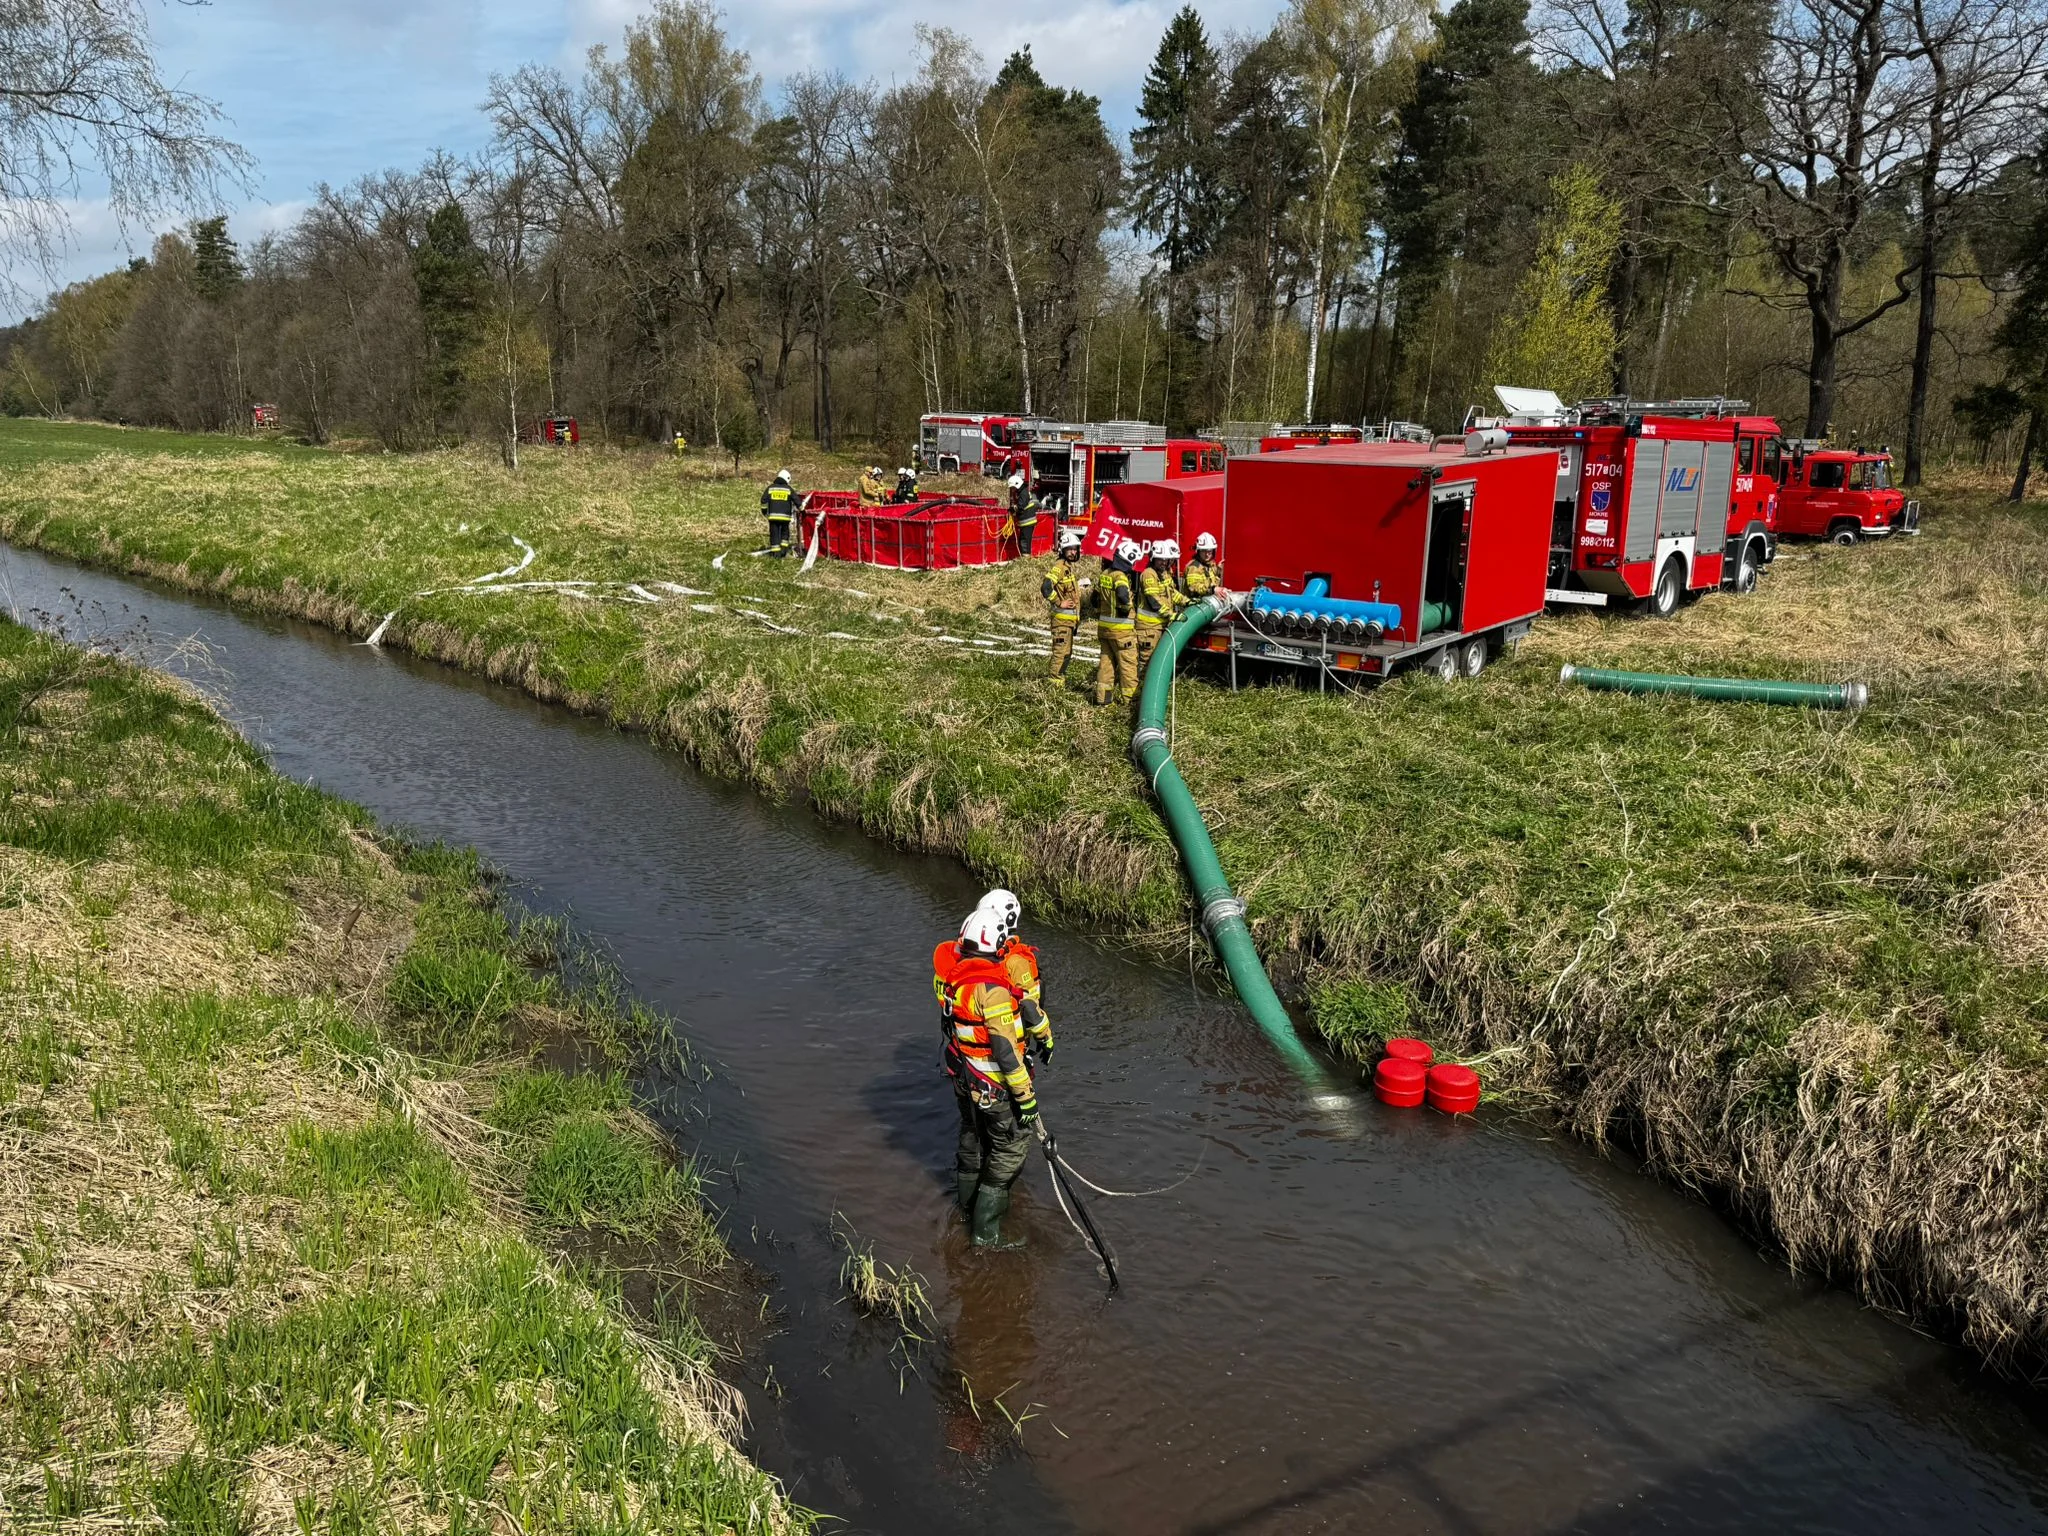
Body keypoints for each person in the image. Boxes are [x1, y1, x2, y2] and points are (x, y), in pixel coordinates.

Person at [938, 908, 1039, 1249]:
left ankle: (966, 1210)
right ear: (996, 944)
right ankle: (986, 1236)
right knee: (1009, 1150)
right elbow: (1004, 1050)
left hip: (965, 1079)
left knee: (972, 1139)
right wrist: (1025, 1098)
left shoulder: (953, 982)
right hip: (994, 1087)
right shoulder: (992, 990)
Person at [1088, 539, 1140, 706]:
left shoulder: (1104, 574)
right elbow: (1124, 596)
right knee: (1128, 666)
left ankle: (1103, 700)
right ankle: (1130, 701)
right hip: (1122, 631)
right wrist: (1126, 608)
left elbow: (1093, 600)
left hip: (1104, 629)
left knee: (1106, 665)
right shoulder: (1121, 577)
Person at [1042, 529, 1087, 683]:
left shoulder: (1068, 568)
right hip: (1061, 622)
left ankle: (1059, 680)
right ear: (1063, 550)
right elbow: (1046, 587)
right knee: (1060, 653)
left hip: (1069, 622)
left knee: (1067, 653)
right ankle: (1053, 684)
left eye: (1075, 549)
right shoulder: (1059, 567)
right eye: (1070, 549)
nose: (1073, 553)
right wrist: (1059, 602)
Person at [1134, 539, 1180, 673]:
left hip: (1159, 626)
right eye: (1160, 559)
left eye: (1166, 559)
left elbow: (1171, 594)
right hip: (1149, 629)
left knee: (1156, 661)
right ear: (1153, 558)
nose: (1164, 562)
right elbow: (1154, 602)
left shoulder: (1163, 574)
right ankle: (1140, 692)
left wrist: (1187, 602)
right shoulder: (1149, 574)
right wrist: (1172, 615)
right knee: (1146, 663)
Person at [761, 470, 797, 555]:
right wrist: (801, 508)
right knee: (785, 532)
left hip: (773, 517)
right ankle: (783, 550)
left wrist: (764, 512)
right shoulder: (788, 489)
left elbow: (763, 500)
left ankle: (776, 554)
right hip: (785, 517)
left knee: (774, 534)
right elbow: (796, 499)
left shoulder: (770, 488)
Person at [1008, 473, 1040, 556]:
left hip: (1027, 521)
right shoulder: (1023, 492)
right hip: (1026, 521)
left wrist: (1013, 508)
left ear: (1017, 484)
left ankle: (1026, 558)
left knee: (1025, 541)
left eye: (1013, 488)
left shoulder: (1023, 493)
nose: (1013, 489)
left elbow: (1021, 506)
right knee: (1023, 540)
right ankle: (1025, 556)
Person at [1184, 531, 1221, 600]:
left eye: (1209, 551)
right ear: (1198, 551)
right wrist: (1213, 590)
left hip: (1207, 604)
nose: (1207, 554)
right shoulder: (1194, 567)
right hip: (1196, 606)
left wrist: (1218, 572)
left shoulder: (1210, 565)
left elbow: (1213, 584)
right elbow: (1194, 588)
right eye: (1204, 551)